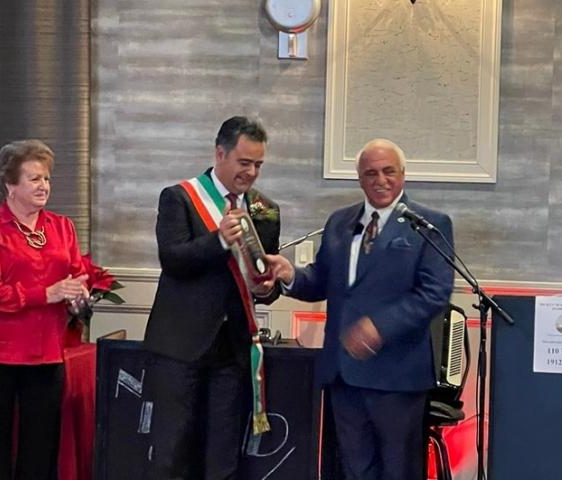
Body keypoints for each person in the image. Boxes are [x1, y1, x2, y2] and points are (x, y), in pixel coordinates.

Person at [267, 138, 454, 480]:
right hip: (344, 374)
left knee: (398, 471)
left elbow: (435, 293)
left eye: (388, 171)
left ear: (403, 174)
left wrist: (380, 326)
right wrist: (291, 274)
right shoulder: (339, 222)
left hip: (398, 376)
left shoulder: (429, 224)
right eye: (371, 173)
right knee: (354, 471)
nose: (380, 180)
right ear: (359, 179)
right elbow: (321, 280)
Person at [143, 116, 281, 479]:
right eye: (244, 162)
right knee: (172, 454)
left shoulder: (266, 210)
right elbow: (173, 259)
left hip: (231, 351)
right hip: (180, 347)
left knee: (222, 458)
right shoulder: (180, 198)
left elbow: (267, 277)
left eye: (258, 165)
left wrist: (268, 288)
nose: (251, 173)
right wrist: (219, 240)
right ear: (220, 153)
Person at [0, 139, 89, 480]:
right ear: (10, 185)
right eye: (34, 179)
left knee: (42, 444)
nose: (43, 186)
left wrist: (78, 295)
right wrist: (46, 293)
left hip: (47, 350)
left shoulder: (62, 227)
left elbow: (76, 274)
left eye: (46, 179)